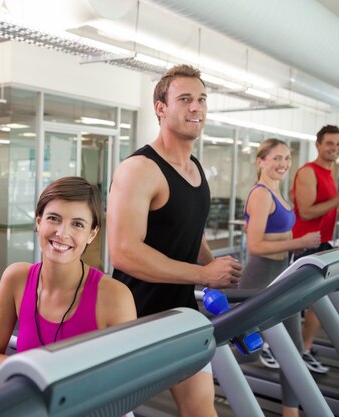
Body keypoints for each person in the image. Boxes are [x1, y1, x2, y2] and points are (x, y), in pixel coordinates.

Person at [107, 64, 242, 417]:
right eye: (185, 99)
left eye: (201, 99)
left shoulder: (195, 167)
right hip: (132, 315)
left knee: (201, 408)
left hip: (180, 313)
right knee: (111, 410)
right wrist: (203, 275)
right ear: (160, 107)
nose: (196, 107)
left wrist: (213, 265)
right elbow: (123, 252)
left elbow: (189, 231)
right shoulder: (139, 170)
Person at [0, 176, 137, 375]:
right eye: (54, 218)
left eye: (78, 224)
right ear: (38, 221)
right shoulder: (16, 278)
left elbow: (124, 380)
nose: (62, 233)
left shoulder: (115, 296)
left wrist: (40, 373)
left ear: (92, 234)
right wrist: (42, 372)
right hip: (29, 401)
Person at [238, 138, 320, 417]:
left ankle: (290, 412)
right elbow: (255, 246)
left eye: (286, 158)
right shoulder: (261, 194)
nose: (283, 164)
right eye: (276, 158)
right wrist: (298, 242)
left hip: (280, 277)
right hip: (259, 280)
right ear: (260, 161)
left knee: (293, 351)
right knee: (241, 351)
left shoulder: (277, 191)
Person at [291, 124, 339, 375]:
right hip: (305, 243)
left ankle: (305, 349)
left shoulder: (331, 174)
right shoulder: (308, 172)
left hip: (324, 242)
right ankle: (277, 345)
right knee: (299, 301)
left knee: (321, 302)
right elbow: (308, 211)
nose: (334, 148)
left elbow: (331, 210)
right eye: (330, 143)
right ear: (318, 145)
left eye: (338, 144)